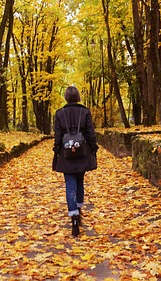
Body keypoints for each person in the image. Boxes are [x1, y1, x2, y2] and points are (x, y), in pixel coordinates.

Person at [52, 85, 98, 237]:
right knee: (79, 182)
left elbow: (58, 136)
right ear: (78, 97)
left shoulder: (59, 114)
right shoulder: (85, 112)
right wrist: (94, 147)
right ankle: (79, 209)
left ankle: (74, 218)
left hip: (66, 154)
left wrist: (57, 151)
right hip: (82, 152)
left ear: (66, 97)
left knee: (69, 184)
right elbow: (90, 133)